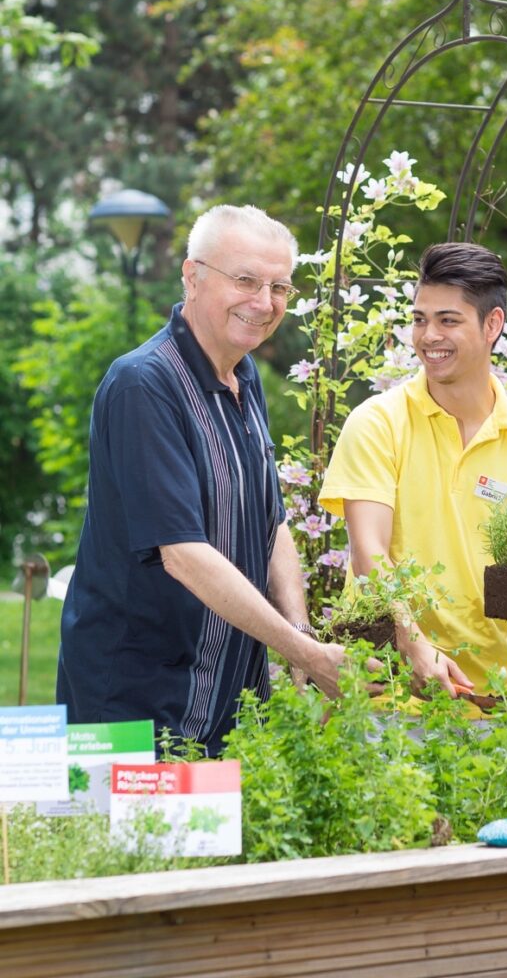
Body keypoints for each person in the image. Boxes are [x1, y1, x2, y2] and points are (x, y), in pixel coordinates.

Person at [57, 204, 346, 754]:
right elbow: (183, 553)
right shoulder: (143, 385)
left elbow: (271, 521)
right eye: (245, 280)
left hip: (226, 694)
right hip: (136, 699)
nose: (264, 303)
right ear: (192, 276)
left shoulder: (244, 373)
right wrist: (306, 655)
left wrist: (299, 634)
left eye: (279, 286)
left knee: (225, 842)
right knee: (126, 841)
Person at [319, 241, 507, 701]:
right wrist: (413, 643)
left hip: (495, 695)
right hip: (387, 686)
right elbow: (369, 553)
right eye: (420, 319)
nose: (428, 337)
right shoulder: (378, 423)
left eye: (448, 321)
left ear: (492, 325)